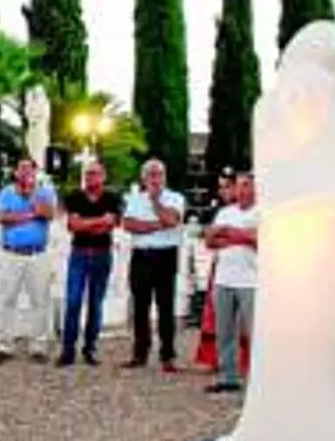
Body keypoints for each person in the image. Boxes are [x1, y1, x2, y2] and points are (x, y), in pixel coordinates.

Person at [121, 159, 185, 373]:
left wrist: (156, 202)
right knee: (140, 306)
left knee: (166, 306)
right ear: (143, 178)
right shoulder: (134, 199)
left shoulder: (175, 198)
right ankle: (140, 352)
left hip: (166, 255)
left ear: (165, 176)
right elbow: (129, 224)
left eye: (158, 174)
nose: (155, 179)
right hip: (141, 256)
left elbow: (172, 220)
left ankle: (168, 355)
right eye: (151, 174)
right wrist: (158, 224)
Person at [0, 157, 57, 364]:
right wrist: (31, 214)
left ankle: (38, 346)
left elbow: (49, 213)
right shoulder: (6, 192)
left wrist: (32, 197)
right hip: (11, 254)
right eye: (22, 169)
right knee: (7, 299)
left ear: (35, 172)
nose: (26, 172)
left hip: (37, 254)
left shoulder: (44, 192)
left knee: (39, 301)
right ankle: (4, 345)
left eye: (29, 169)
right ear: (16, 172)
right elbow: (2, 217)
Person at [57, 161, 121, 367]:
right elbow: (75, 226)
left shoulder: (112, 198)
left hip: (102, 254)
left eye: (94, 173)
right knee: (73, 301)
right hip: (79, 254)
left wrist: (87, 224)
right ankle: (68, 350)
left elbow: (110, 225)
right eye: (87, 173)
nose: (90, 177)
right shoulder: (75, 197)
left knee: (96, 302)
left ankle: (90, 348)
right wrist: (99, 221)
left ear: (103, 176)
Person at [204, 172, 258, 394]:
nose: (242, 190)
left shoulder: (261, 212)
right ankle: (228, 376)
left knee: (254, 332)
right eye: (239, 185)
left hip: (251, 281)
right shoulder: (225, 212)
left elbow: (259, 239)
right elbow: (209, 240)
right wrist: (242, 236)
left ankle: (258, 377)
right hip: (224, 279)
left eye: (247, 185)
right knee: (224, 331)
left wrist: (226, 232)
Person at [194, 173, 250, 373]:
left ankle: (245, 360)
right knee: (217, 316)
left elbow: (253, 239)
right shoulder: (222, 212)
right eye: (221, 187)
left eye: (227, 187)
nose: (223, 191)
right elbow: (210, 239)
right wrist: (234, 238)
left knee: (245, 318)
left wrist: (229, 235)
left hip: (247, 272)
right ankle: (217, 359)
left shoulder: (253, 211)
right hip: (222, 267)